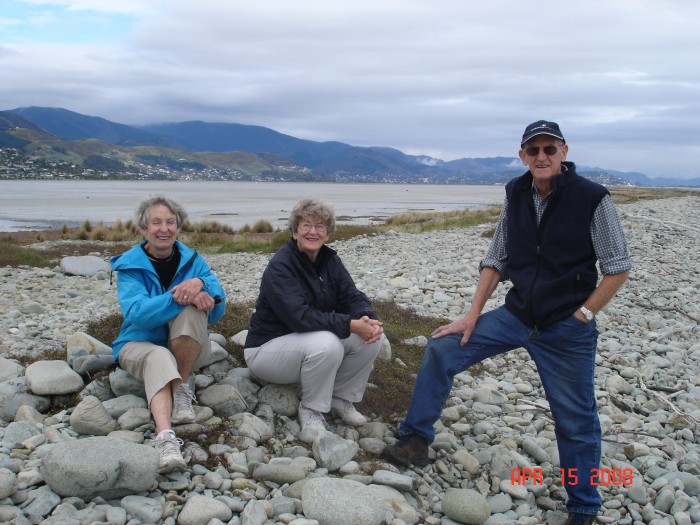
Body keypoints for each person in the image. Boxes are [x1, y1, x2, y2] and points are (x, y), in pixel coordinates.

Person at [380, 121, 631, 525]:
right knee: (442, 347)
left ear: (564, 152)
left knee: (576, 419)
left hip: (565, 327)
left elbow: (618, 267)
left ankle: (583, 507)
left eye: (549, 149)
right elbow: (497, 257)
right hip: (516, 314)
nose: (542, 157)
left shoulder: (592, 198)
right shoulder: (516, 193)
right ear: (522, 156)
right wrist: (471, 315)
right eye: (533, 151)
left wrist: (584, 314)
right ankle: (415, 439)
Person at [244, 197, 384, 432]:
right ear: (295, 231)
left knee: (370, 337)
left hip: (306, 343)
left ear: (327, 233)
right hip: (266, 350)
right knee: (328, 343)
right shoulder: (281, 266)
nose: (313, 232)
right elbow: (299, 317)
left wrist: (367, 318)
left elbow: (352, 296)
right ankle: (311, 409)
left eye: (320, 226)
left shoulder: (329, 261)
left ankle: (340, 397)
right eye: (306, 225)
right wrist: (349, 324)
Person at [110, 194, 226, 473]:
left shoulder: (193, 260)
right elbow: (137, 313)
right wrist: (180, 295)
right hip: (139, 344)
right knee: (160, 352)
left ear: (178, 227)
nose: (164, 229)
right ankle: (165, 439)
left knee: (193, 309)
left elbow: (218, 309)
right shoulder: (129, 265)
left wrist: (201, 286)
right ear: (143, 229)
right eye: (156, 222)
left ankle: (182, 386)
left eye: (170, 222)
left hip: (187, 349)